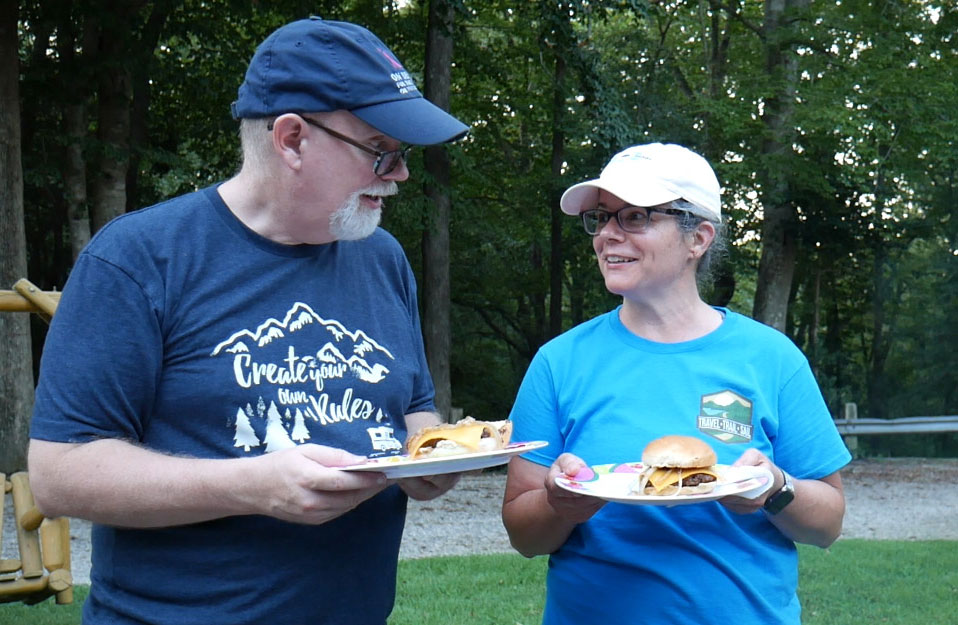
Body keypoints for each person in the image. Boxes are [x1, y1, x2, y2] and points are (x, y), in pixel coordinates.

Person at [28, 17, 470, 625]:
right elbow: (59, 474)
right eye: (380, 151)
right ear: (291, 139)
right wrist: (247, 485)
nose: (399, 174)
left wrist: (435, 459)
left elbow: (412, 410)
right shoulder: (139, 258)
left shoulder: (382, 257)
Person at [501, 143, 850, 625]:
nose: (607, 235)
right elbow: (524, 534)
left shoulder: (771, 359)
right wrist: (561, 504)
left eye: (635, 217)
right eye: (602, 218)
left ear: (698, 238)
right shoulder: (559, 362)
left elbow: (828, 523)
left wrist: (774, 487)